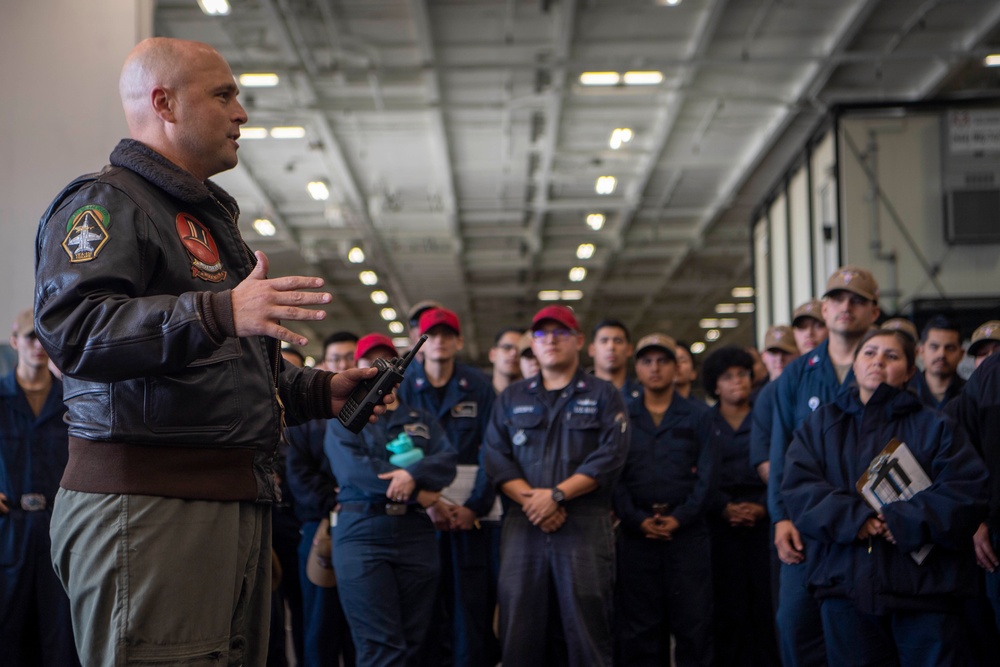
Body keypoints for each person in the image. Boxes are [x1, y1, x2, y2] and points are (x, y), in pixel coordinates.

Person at [33, 37, 392, 666]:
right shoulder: (108, 203)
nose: (241, 114)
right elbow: (74, 329)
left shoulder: (194, 217)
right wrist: (221, 309)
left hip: (222, 502)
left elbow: (213, 368)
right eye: (223, 95)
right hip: (148, 509)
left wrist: (316, 392)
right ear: (164, 103)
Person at [783, 329, 988, 666]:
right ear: (856, 364)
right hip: (844, 591)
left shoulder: (936, 425)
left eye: (891, 356)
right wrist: (856, 518)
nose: (877, 361)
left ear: (910, 372)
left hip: (925, 593)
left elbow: (967, 490)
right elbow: (799, 488)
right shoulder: (821, 425)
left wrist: (903, 520)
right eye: (869, 353)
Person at [484, 305, 629, 667]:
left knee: (587, 634)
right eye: (542, 333)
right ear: (532, 343)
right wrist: (536, 502)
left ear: (578, 341)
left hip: (583, 525)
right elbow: (495, 456)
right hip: (524, 526)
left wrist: (558, 495)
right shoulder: (512, 397)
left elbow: (611, 455)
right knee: (519, 635)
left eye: (560, 332)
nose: (550, 339)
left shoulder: (603, 394)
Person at [769, 266, 881, 667]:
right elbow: (780, 449)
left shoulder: (886, 365)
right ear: (824, 307)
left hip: (872, 525)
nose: (845, 307)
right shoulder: (797, 374)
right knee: (796, 625)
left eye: (857, 300)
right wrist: (780, 518)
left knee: (864, 633)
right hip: (808, 526)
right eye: (836, 299)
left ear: (875, 311)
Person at [324, 333, 457, 667]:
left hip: (415, 536)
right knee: (380, 646)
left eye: (389, 361)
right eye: (373, 361)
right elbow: (353, 472)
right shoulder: (345, 420)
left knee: (414, 644)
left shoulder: (422, 419)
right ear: (359, 368)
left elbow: (446, 463)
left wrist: (412, 475)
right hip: (363, 533)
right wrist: (420, 490)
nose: (382, 368)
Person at [398, 307, 499, 667]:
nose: (439, 341)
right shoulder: (403, 386)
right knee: (421, 617)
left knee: (469, 613)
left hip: (468, 521)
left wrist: (474, 505)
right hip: (417, 521)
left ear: (458, 341)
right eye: (431, 335)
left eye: (446, 335)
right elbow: (394, 447)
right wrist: (426, 501)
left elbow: (493, 452)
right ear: (420, 343)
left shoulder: (480, 388)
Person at [612, 333, 715, 667]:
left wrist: (680, 517)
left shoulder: (699, 416)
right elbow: (613, 477)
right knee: (640, 631)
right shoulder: (622, 418)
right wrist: (635, 518)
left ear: (676, 367)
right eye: (646, 361)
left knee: (693, 629)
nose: (654, 368)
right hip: (636, 537)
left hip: (686, 537)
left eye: (663, 361)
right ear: (636, 368)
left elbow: (708, 477)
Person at [0, 309, 79, 667]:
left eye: (46, 337)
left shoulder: (74, 404)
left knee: (61, 640)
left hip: (59, 533)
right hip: (8, 535)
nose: (38, 345)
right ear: (15, 341)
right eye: (31, 336)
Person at [702, 345, 779, 667]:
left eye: (744, 374)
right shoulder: (704, 422)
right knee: (725, 610)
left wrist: (762, 506)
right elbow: (697, 474)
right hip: (718, 524)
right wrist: (724, 507)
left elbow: (779, 467)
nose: (738, 382)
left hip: (763, 522)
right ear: (715, 385)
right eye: (729, 377)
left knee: (765, 607)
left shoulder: (767, 417)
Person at [285, 336, 359, 667]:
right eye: (335, 358)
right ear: (324, 364)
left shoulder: (374, 415)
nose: (342, 365)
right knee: (319, 625)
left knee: (361, 627)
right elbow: (298, 473)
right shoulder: (306, 420)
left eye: (349, 357)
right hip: (319, 530)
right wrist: (334, 500)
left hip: (362, 527)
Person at [750, 325, 803, 485]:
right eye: (773, 352)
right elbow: (762, 457)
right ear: (763, 356)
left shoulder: (806, 388)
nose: (779, 359)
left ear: (798, 353)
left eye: (786, 352)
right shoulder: (759, 397)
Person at [910, 315, 965, 410]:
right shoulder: (905, 393)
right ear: (921, 351)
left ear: (961, 354)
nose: (941, 354)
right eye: (934, 347)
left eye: (950, 348)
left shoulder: (972, 394)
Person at [588, 319, 641, 399]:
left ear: (629, 350)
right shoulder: (576, 394)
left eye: (618, 341)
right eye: (604, 341)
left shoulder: (644, 396)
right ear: (592, 349)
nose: (611, 347)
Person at [489, 326, 523, 394]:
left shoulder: (535, 397)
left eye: (520, 349)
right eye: (507, 347)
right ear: (492, 354)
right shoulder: (478, 395)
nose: (514, 353)